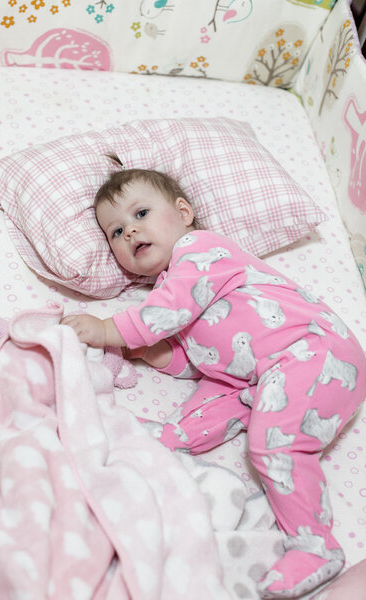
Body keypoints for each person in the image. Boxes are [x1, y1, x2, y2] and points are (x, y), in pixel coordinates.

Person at [61, 157, 366, 599]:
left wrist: (110, 329)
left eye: (140, 213)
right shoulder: (170, 289)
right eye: (115, 232)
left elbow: (171, 308)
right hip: (257, 373)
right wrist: (147, 350)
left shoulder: (201, 250)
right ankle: (167, 438)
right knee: (200, 408)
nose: (128, 231)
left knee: (273, 442)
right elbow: (198, 361)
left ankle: (315, 545)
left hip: (313, 350)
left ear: (183, 214)